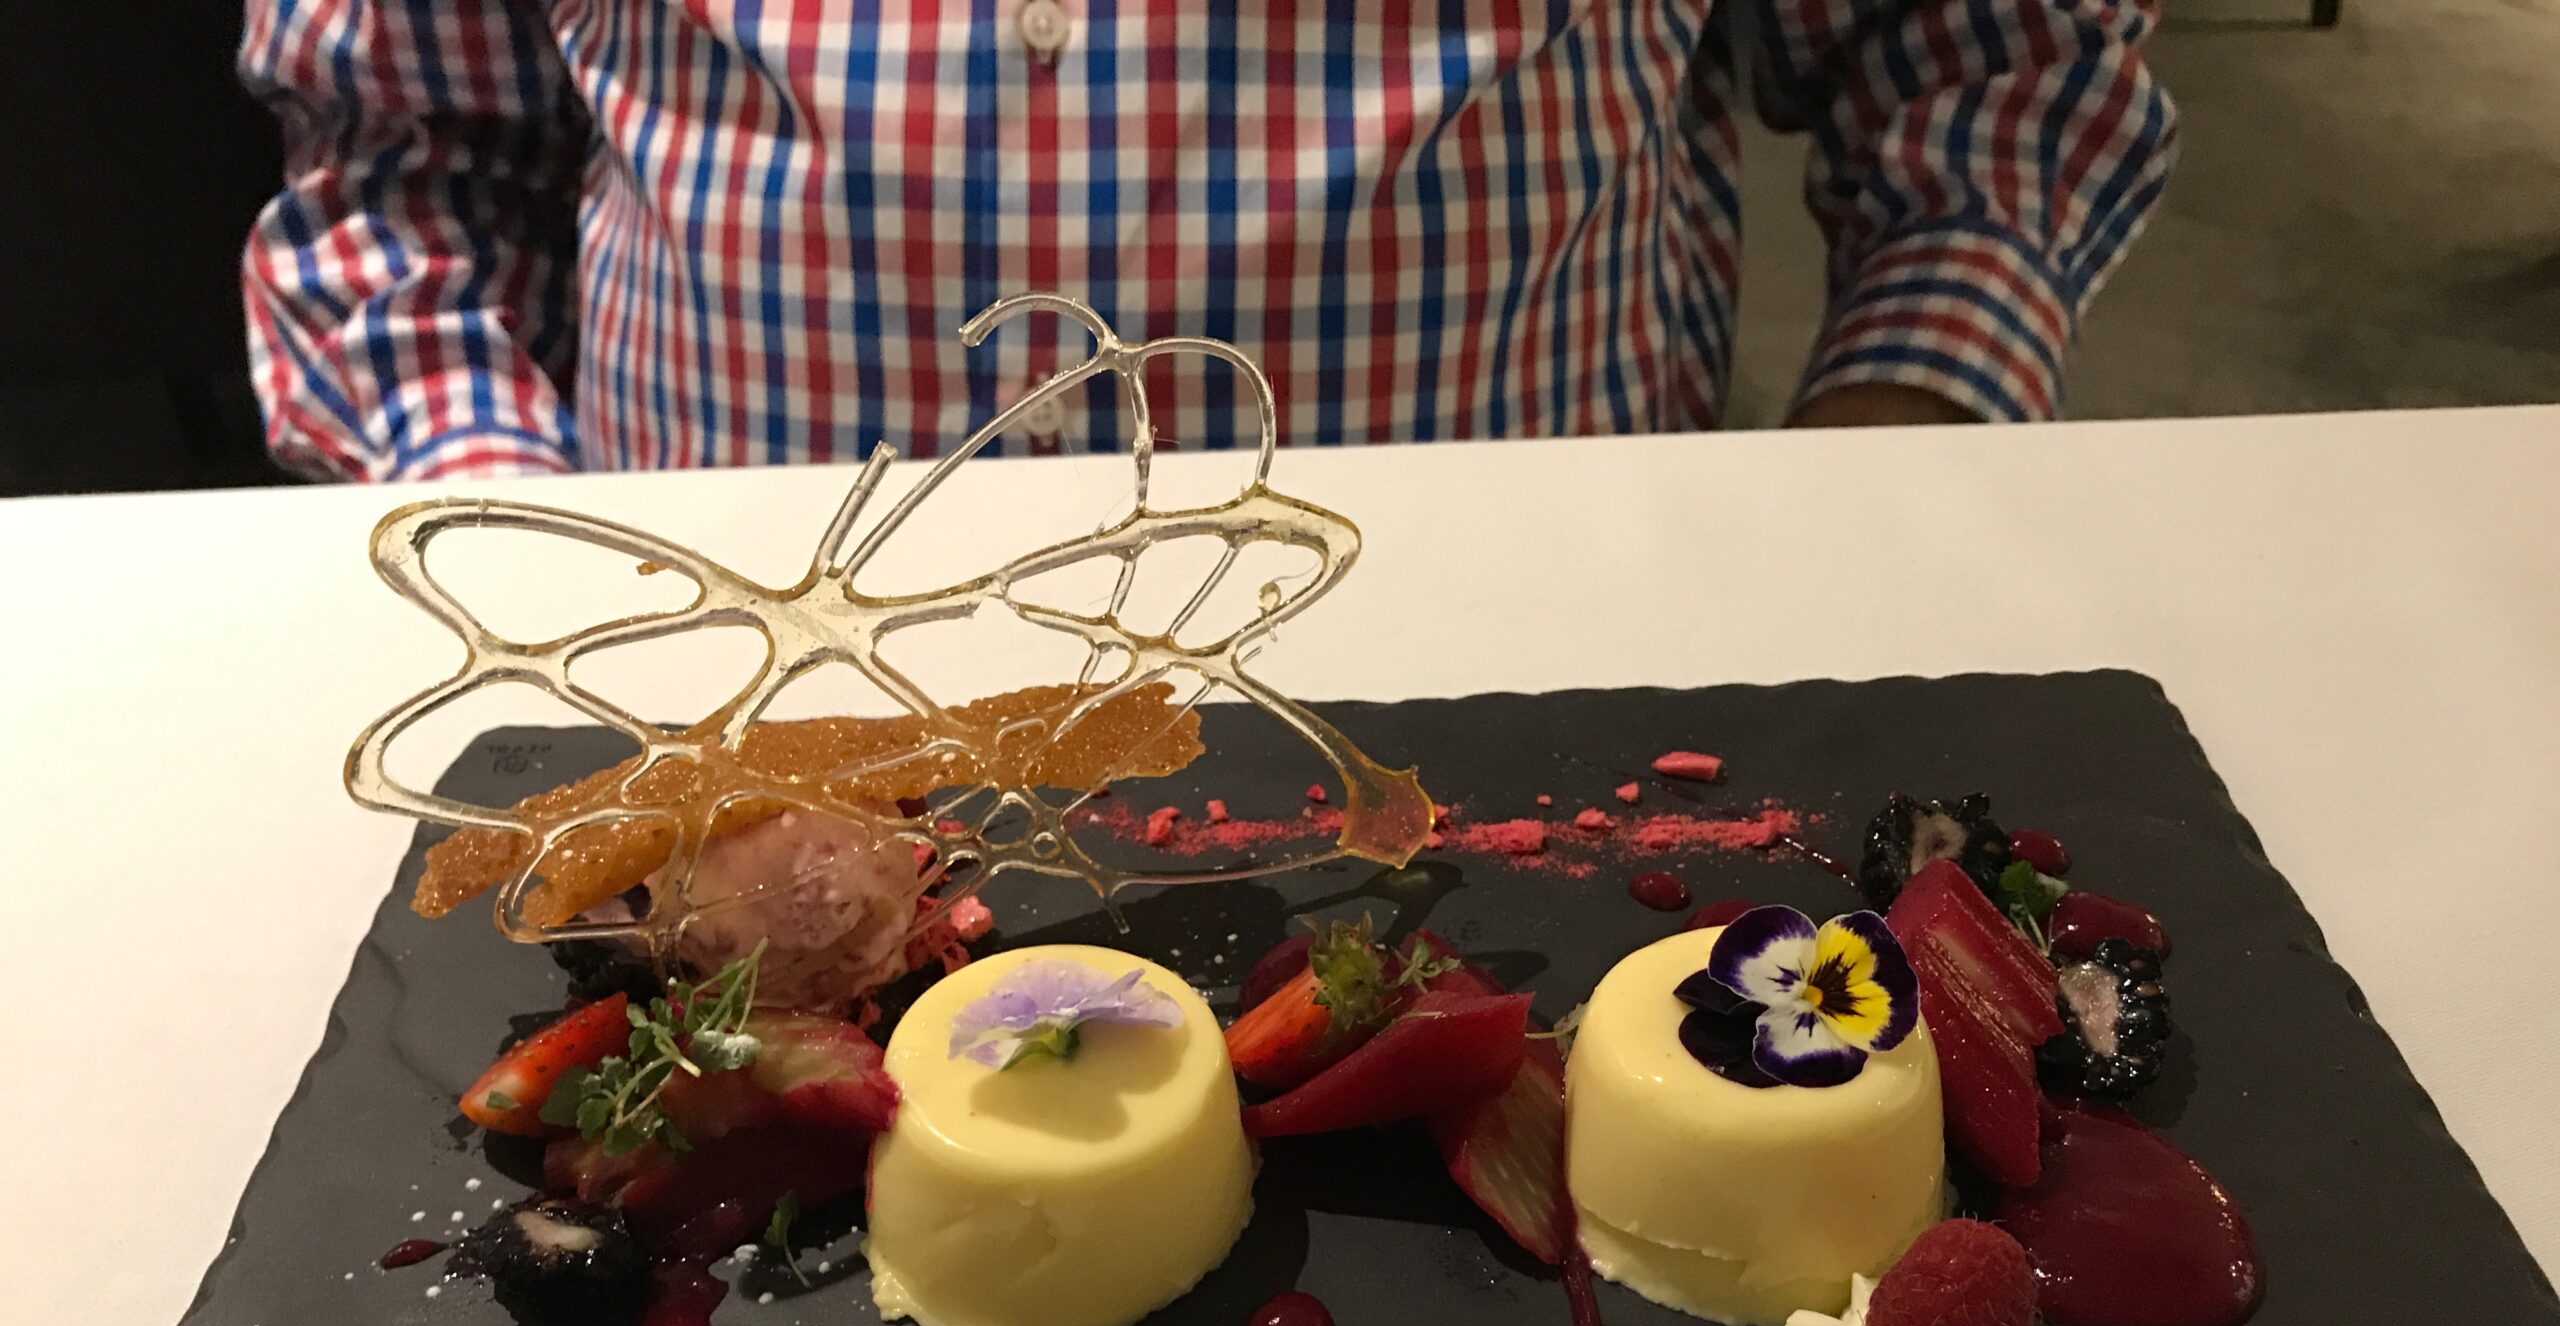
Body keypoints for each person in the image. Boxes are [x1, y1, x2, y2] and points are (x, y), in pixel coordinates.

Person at [238, 2, 2174, 482]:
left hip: (1534, 760)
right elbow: (404, 164)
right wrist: (522, 576)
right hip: (737, 741)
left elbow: (1988, 57)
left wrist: (1886, 480)